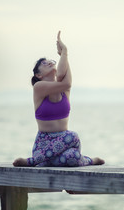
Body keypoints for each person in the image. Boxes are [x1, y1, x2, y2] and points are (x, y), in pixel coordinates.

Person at [13, 31, 105, 167]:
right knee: (73, 136)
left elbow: (63, 75)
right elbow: (65, 82)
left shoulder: (64, 89)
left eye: (51, 61)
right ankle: (33, 161)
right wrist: (64, 54)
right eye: (44, 63)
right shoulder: (39, 87)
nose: (49, 62)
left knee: (72, 156)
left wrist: (64, 53)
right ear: (38, 75)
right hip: (44, 145)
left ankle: (89, 160)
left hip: (61, 147)